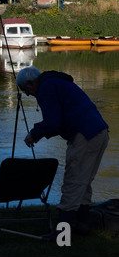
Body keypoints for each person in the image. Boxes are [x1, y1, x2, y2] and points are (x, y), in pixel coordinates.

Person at [16, 66, 109, 236]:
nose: (29, 94)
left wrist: (34, 133)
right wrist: (40, 134)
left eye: (26, 90)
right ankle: (82, 225)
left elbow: (53, 120)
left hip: (85, 135)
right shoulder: (55, 82)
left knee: (73, 182)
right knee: (83, 181)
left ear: (31, 83)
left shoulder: (46, 88)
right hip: (99, 132)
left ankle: (62, 235)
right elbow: (58, 120)